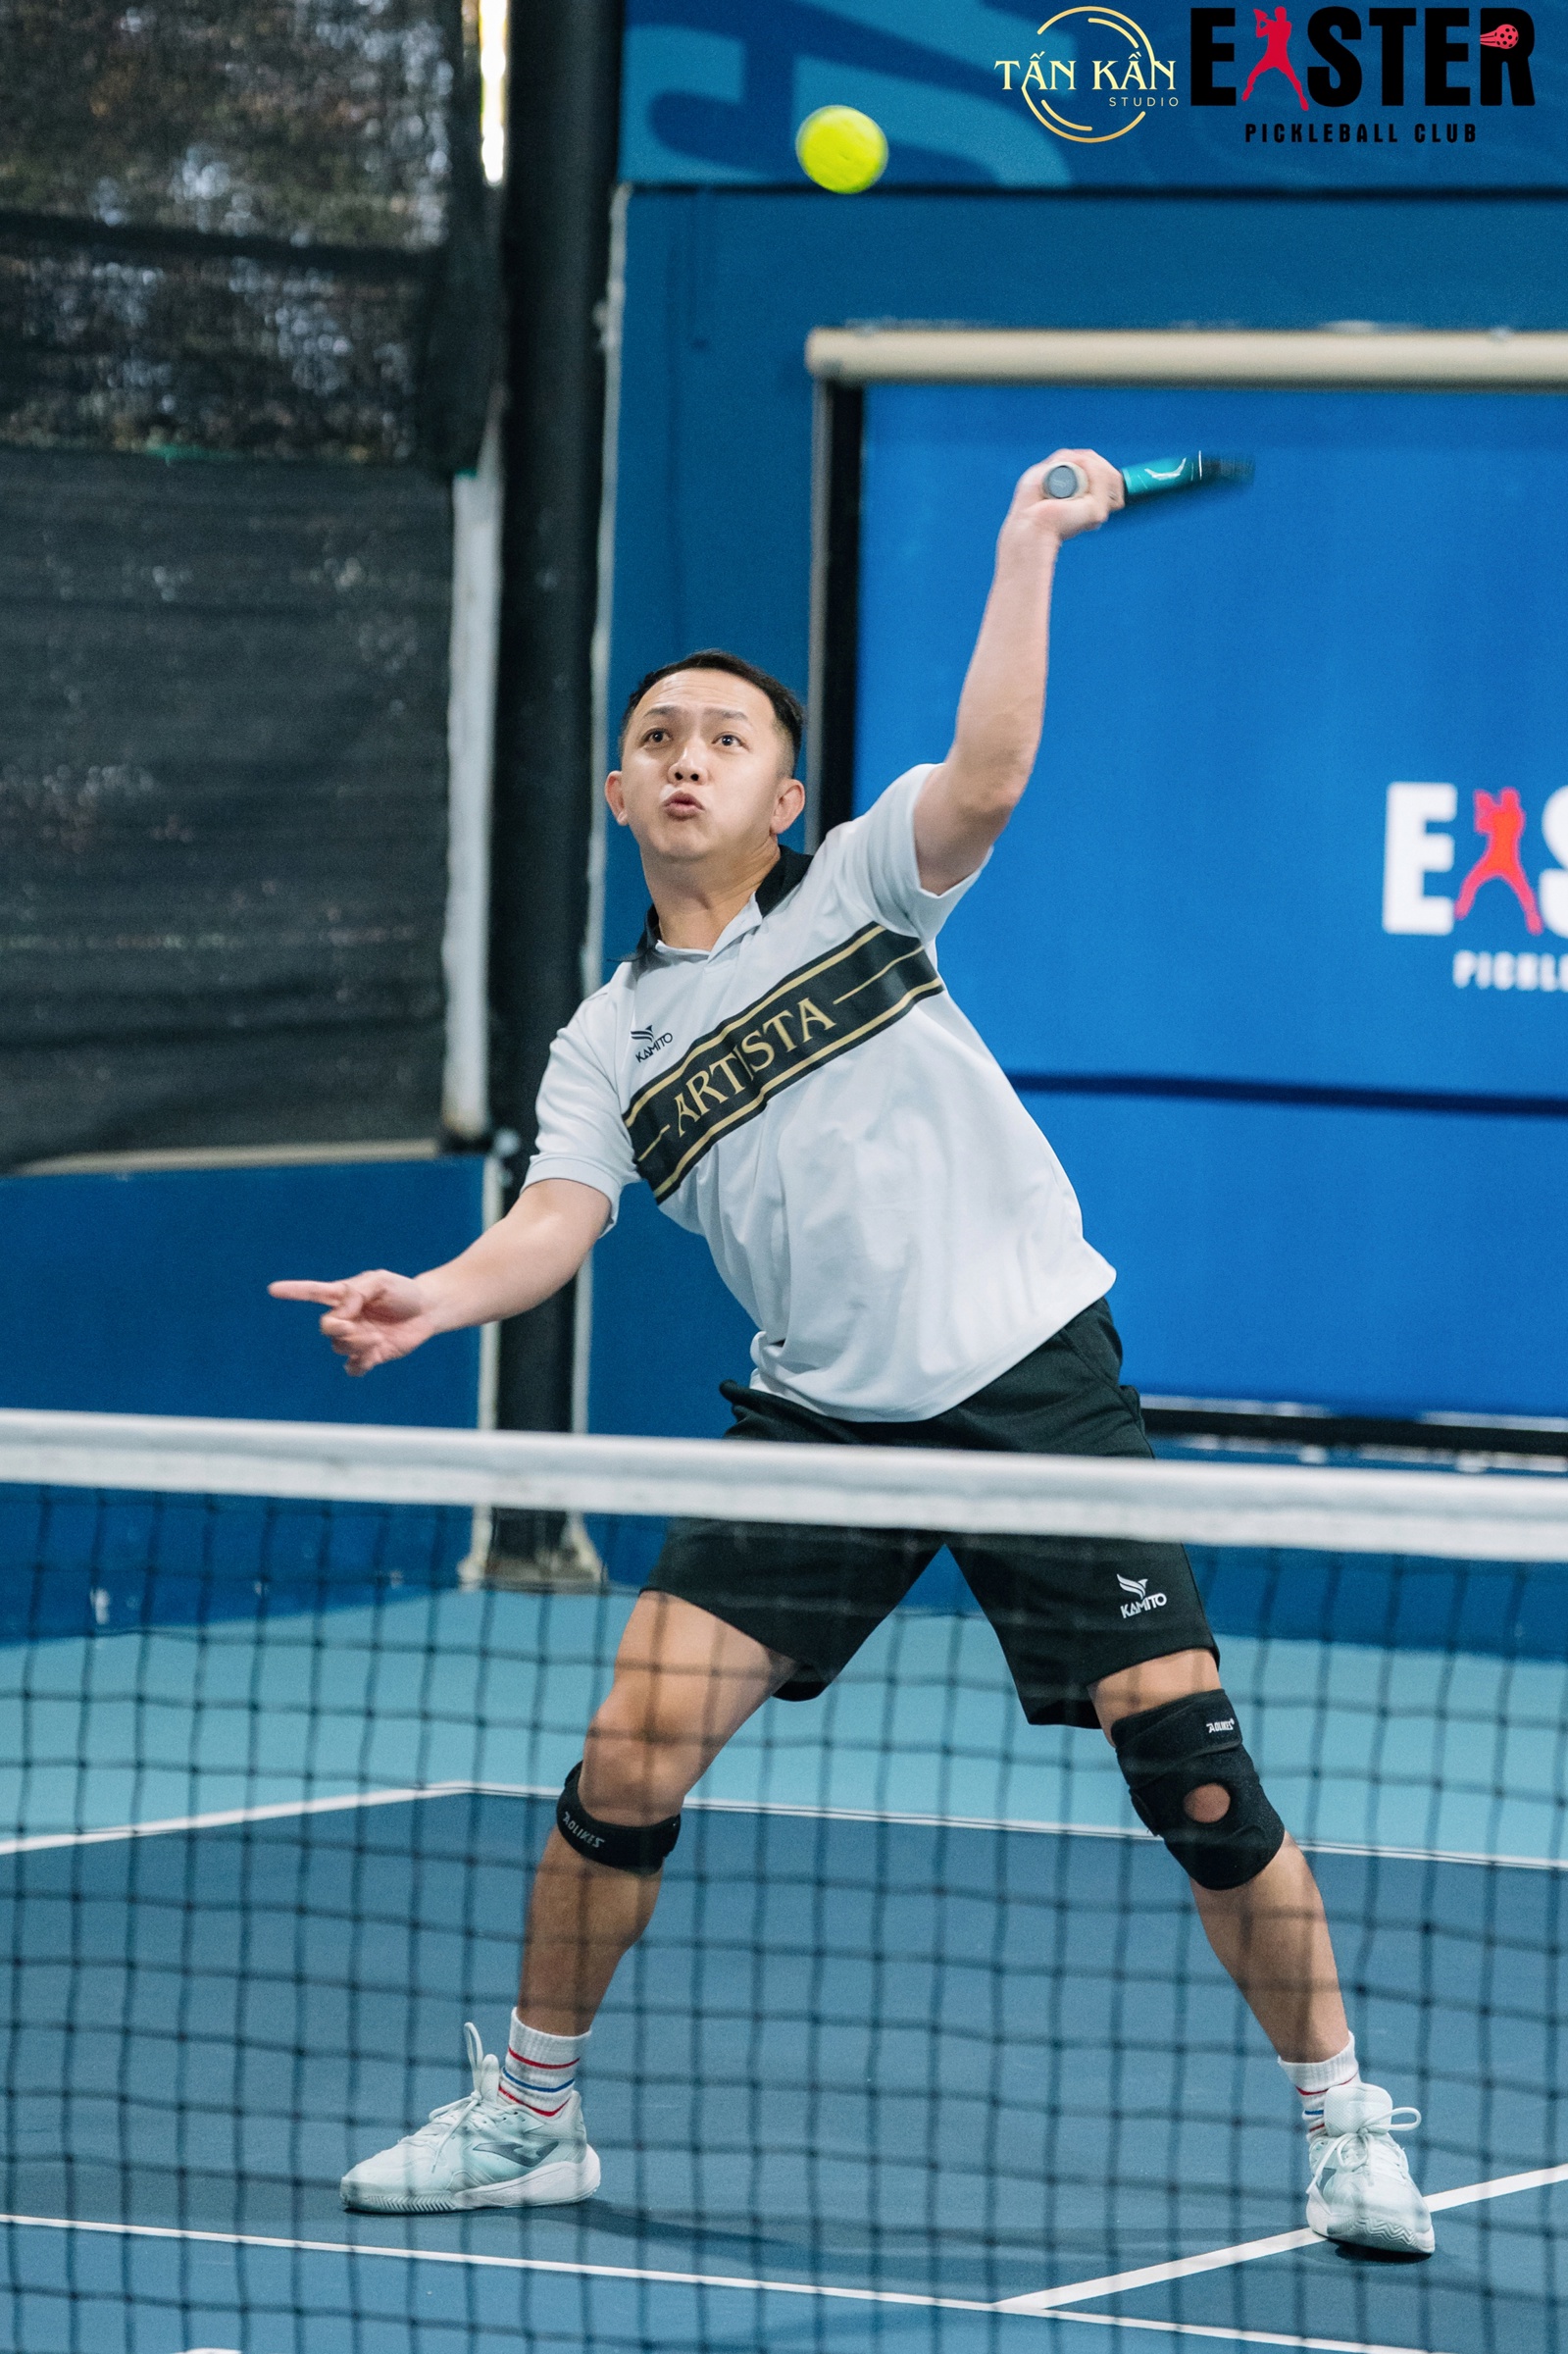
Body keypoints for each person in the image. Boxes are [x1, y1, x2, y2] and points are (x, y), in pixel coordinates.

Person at [271, 449, 1433, 2255]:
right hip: (819, 1422)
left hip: (1033, 1388)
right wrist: (437, 1293)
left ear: (784, 793)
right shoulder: (603, 1043)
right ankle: (530, 2115)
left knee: (1196, 1775)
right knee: (626, 1760)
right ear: (616, 791)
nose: (687, 758)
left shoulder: (864, 893)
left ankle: (1347, 2121)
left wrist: (1026, 548)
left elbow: (992, 772)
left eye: (725, 739)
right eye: (658, 737)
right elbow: (555, 1222)